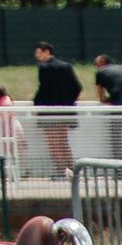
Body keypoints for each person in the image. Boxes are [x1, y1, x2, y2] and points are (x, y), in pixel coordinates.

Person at [31, 39, 80, 179]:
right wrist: (69, 101)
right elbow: (77, 87)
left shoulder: (44, 68)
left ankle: (61, 172)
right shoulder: (66, 66)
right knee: (63, 141)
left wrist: (37, 104)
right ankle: (73, 170)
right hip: (65, 110)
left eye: (39, 53)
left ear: (47, 52)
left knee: (53, 143)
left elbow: (43, 89)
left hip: (49, 111)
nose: (37, 56)